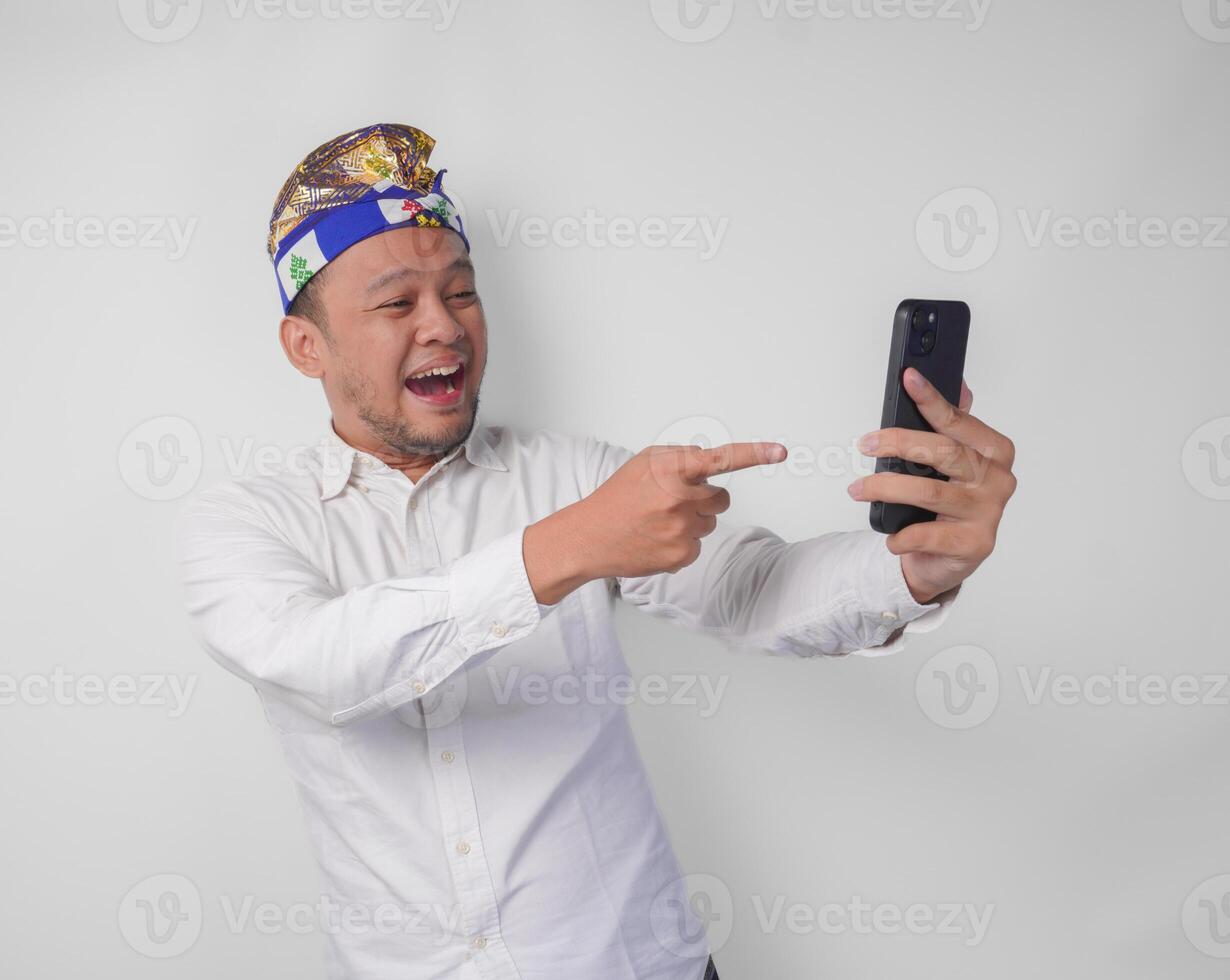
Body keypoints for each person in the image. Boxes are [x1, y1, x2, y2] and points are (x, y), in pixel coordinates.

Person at [177, 122, 1017, 980]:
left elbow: (751, 588)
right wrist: (570, 546)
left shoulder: (574, 474)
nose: (445, 327)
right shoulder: (246, 524)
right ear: (305, 345)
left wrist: (913, 570)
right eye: (398, 303)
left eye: (461, 293)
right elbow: (324, 664)